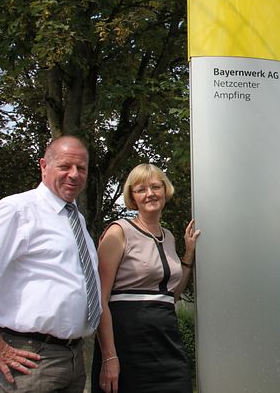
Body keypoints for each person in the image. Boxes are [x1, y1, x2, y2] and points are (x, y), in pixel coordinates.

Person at [0, 135, 101, 392]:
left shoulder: (76, 220)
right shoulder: (18, 210)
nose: (74, 174)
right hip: (31, 359)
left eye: (81, 168)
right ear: (43, 166)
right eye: (65, 166)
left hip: (72, 357)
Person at [91, 163, 201, 393]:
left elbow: (172, 295)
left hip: (166, 342)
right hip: (128, 346)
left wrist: (188, 254)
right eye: (141, 189)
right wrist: (109, 357)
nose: (150, 193)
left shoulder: (169, 237)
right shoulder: (118, 231)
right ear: (132, 196)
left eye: (155, 187)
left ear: (165, 190)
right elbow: (99, 300)